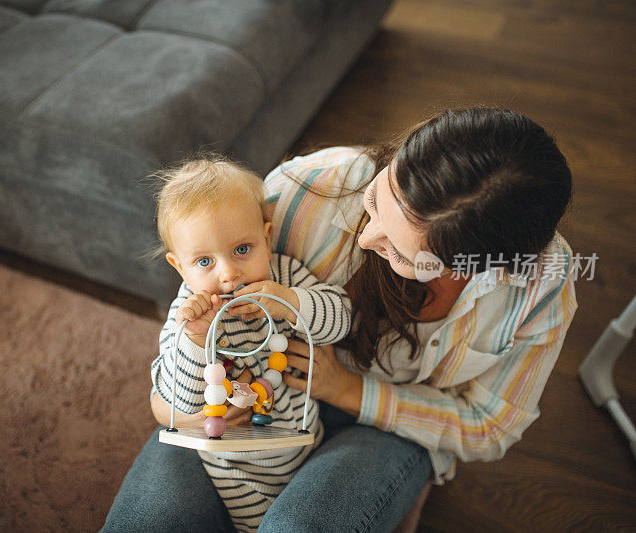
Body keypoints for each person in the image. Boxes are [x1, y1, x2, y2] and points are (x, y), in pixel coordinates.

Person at [103, 107, 578, 532]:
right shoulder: (305, 190)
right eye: (375, 203)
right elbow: (201, 295)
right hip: (261, 399)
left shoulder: (537, 289)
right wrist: (184, 413)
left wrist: (347, 391)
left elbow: (491, 425)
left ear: (474, 268)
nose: (367, 237)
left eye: (400, 251)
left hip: (389, 424)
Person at [149, 157, 352, 531]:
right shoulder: (188, 316)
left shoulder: (285, 276)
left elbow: (340, 320)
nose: (228, 274)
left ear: (267, 237)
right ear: (180, 267)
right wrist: (195, 340)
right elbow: (180, 401)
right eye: (205, 261)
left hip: (306, 445)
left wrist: (290, 302)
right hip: (235, 473)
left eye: (242, 249)